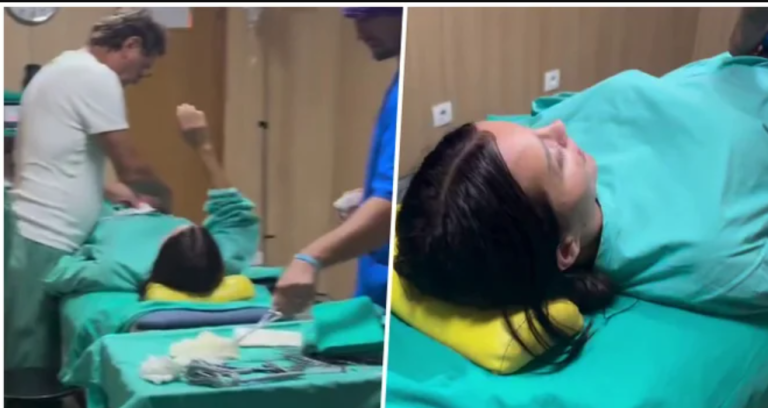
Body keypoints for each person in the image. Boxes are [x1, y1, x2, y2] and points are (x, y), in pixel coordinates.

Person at [395, 36, 768, 365]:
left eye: (532, 130)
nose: (557, 128)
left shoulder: (516, 160)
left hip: (742, 58)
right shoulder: (714, 252)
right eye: (555, 160)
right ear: (567, 249)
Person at [6, 8, 169, 370]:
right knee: (30, 359)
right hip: (45, 233)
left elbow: (49, 152)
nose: (137, 80)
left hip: (35, 228)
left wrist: (104, 188)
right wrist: (167, 199)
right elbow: (132, 165)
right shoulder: (96, 77)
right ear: (131, 45)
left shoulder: (62, 67)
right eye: (143, 69)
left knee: (27, 344)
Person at [45, 105, 259, 301]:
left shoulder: (120, 269)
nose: (187, 228)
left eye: (182, 234)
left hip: (106, 212)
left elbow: (57, 274)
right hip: (147, 206)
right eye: (195, 231)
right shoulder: (219, 261)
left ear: (165, 245)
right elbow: (234, 215)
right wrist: (203, 146)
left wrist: (94, 191)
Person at [272, 7, 402, 315]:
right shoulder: (400, 83)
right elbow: (400, 188)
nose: (359, 33)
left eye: (367, 17)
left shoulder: (406, 94)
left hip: (397, 297)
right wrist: (367, 199)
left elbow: (389, 205)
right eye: (354, 19)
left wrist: (309, 259)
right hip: (376, 288)